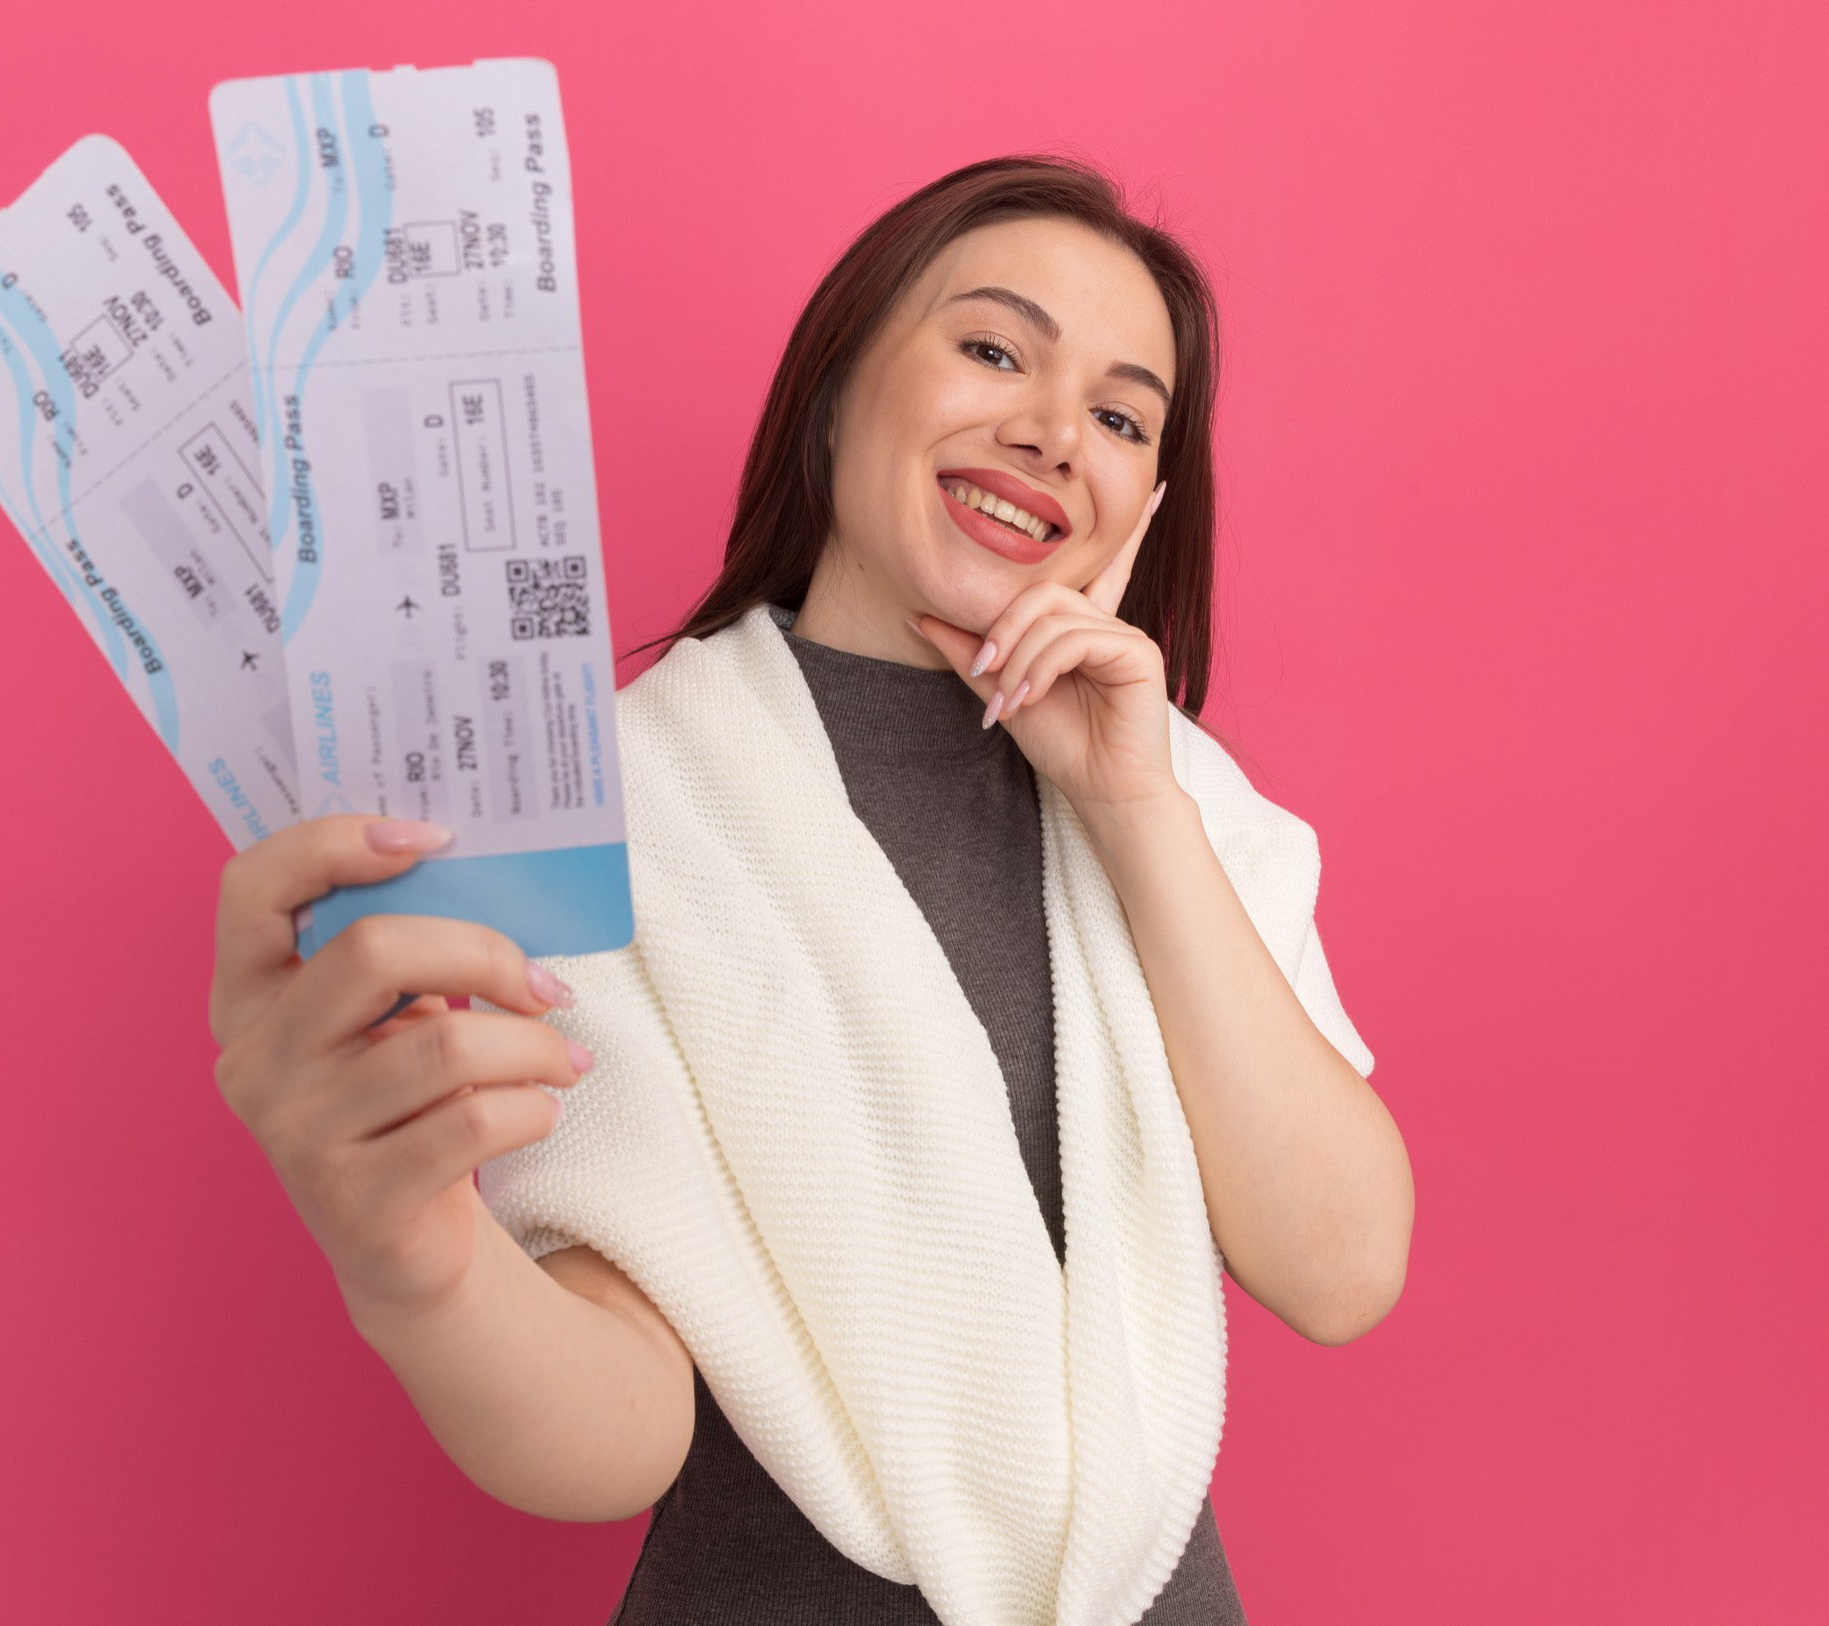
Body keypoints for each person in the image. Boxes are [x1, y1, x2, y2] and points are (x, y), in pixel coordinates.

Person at [207, 156, 1415, 1625]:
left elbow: (1341, 1269)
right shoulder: (612, 813)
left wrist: (1138, 808)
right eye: (991, 349)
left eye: (1116, 415)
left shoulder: (1191, 805)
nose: (1048, 432)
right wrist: (410, 1259)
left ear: (1146, 501)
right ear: (836, 391)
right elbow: (625, 1423)